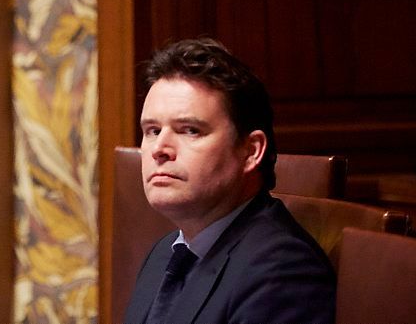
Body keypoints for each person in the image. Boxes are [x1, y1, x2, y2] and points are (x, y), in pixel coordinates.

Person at [123, 38, 335, 324]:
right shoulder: (164, 253)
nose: (160, 148)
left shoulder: (283, 271)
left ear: (251, 151)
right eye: (152, 130)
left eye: (190, 130)